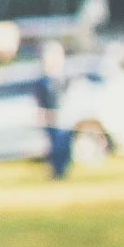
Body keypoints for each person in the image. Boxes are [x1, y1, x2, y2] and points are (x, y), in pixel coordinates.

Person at [35, 41, 71, 180]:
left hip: (63, 117)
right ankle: (56, 171)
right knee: (55, 146)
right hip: (51, 118)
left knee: (63, 146)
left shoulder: (63, 77)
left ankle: (62, 170)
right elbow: (40, 100)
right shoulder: (43, 81)